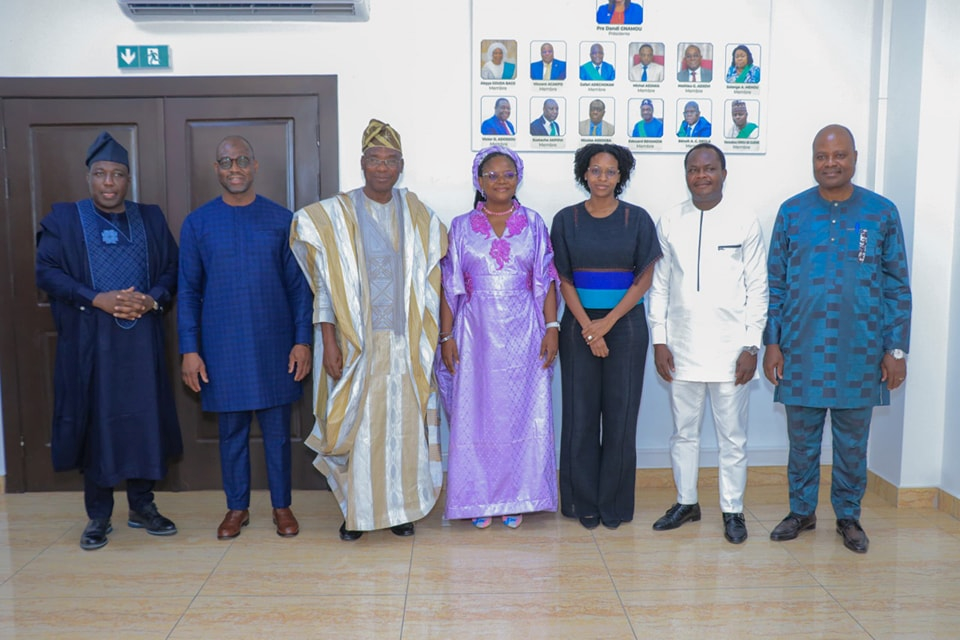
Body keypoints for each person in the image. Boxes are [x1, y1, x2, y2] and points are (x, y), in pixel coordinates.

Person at [290, 119, 447, 541]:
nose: (382, 167)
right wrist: (327, 340)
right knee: (357, 429)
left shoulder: (419, 216)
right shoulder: (336, 217)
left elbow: (435, 276)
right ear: (362, 164)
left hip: (405, 344)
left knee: (403, 427)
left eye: (390, 160)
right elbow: (324, 286)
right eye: (374, 159)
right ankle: (356, 511)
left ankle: (400, 510)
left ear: (401, 166)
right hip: (354, 344)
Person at [763, 125, 912, 554]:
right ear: (813, 160)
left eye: (839, 155)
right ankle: (801, 512)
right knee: (803, 441)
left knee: (852, 443)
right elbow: (776, 281)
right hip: (800, 347)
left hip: (860, 350)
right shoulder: (792, 212)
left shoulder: (881, 213)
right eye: (822, 157)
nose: (830, 164)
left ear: (854, 157)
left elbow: (896, 286)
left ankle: (848, 516)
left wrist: (895, 349)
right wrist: (772, 341)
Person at [36, 131, 182, 550]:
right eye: (100, 173)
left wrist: (152, 300)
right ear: (88, 178)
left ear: (128, 179)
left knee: (143, 421)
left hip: (141, 343)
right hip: (90, 346)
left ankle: (142, 506)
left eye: (117, 174)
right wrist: (96, 298)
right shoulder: (64, 219)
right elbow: (46, 272)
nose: (109, 182)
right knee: (97, 424)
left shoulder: (150, 218)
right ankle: (98, 516)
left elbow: (173, 270)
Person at [178, 135, 313, 541]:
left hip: (275, 344)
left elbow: (299, 288)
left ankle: (281, 505)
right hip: (222, 348)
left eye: (241, 160)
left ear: (255, 166)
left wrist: (302, 340)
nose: (234, 168)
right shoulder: (198, 223)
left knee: (277, 433)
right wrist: (190, 350)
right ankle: (236, 508)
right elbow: (187, 290)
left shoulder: (282, 220)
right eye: (225, 162)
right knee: (231, 432)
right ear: (216, 170)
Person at [647, 143, 768, 544]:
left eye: (710, 169)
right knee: (684, 432)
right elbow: (659, 287)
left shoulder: (744, 220)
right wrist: (659, 340)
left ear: (724, 173)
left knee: (733, 436)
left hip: (732, 352)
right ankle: (687, 502)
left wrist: (752, 346)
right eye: (694, 169)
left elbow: (758, 288)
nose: (702, 176)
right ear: (686, 175)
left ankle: (732, 509)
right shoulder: (669, 221)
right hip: (680, 349)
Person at [436, 146, 560, 530]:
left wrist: (552, 328)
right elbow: (449, 286)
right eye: (492, 175)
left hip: (524, 328)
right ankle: (477, 497)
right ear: (478, 180)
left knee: (520, 416)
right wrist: (446, 337)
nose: (500, 181)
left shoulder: (534, 223)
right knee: (477, 414)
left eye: (508, 174)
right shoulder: (460, 226)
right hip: (475, 332)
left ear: (517, 179)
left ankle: (517, 495)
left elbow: (546, 280)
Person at [550, 144, 661, 530]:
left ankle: (613, 505)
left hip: (625, 325)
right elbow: (562, 278)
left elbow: (643, 277)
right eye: (595, 170)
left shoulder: (638, 219)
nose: (602, 178)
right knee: (579, 416)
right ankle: (583, 502)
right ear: (584, 174)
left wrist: (607, 323)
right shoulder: (566, 220)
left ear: (621, 176)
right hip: (578, 324)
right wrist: (586, 325)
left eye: (610, 172)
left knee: (621, 415)